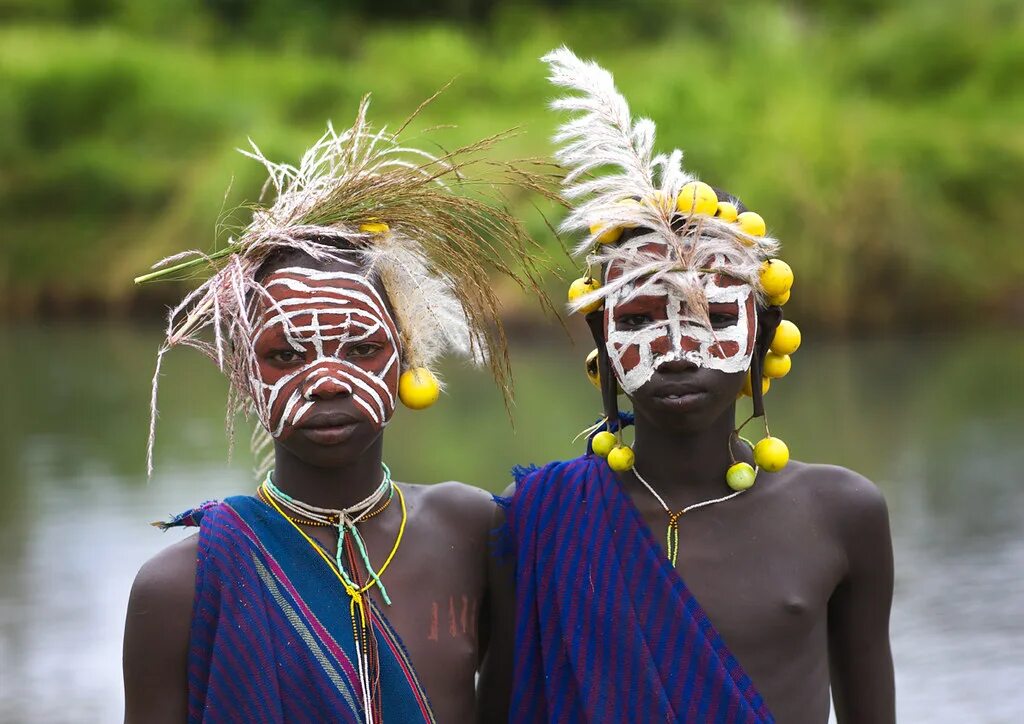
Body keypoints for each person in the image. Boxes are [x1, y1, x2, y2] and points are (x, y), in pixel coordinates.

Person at [483, 48, 895, 723]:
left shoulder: (842, 513)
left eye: (714, 316)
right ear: (603, 344)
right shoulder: (534, 519)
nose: (676, 351)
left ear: (763, 335)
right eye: (641, 318)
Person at [122, 96, 551, 723]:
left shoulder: (471, 529)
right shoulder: (180, 586)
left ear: (405, 355)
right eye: (286, 354)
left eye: (361, 347)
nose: (326, 382)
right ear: (245, 373)